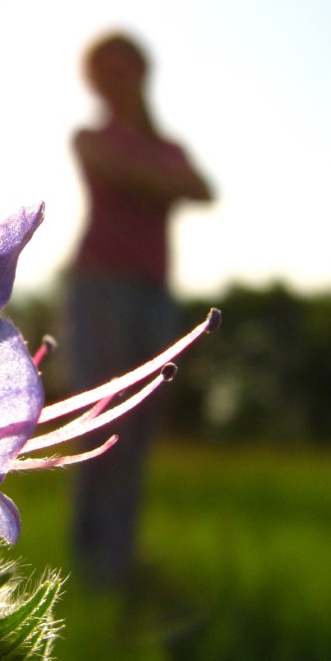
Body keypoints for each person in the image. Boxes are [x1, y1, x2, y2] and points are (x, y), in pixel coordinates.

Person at [66, 32, 214, 589]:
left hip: (153, 292)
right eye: (102, 69)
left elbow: (203, 190)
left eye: (122, 66)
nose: (113, 77)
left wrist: (150, 179)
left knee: (138, 427)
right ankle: (92, 565)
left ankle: (119, 559)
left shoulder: (165, 145)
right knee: (98, 421)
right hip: (98, 286)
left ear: (140, 72)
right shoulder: (89, 136)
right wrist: (161, 183)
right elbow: (116, 172)